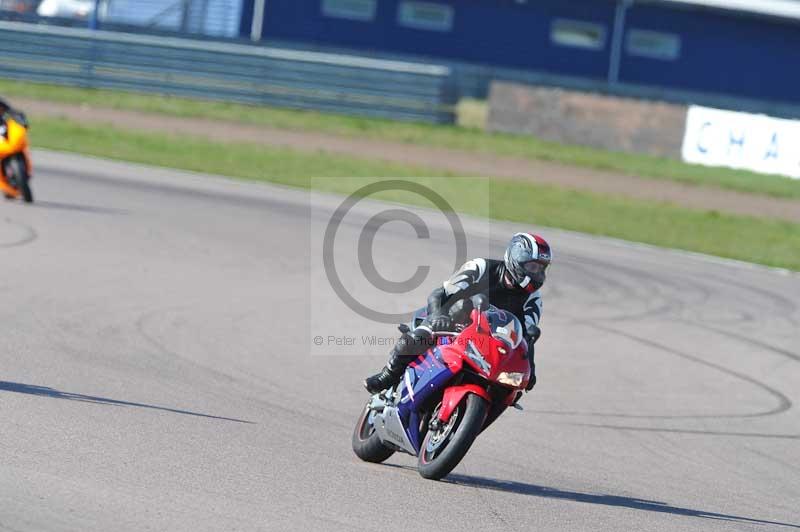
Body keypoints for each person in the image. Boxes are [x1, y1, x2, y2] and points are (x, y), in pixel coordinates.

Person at [364, 232, 552, 394]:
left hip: (487, 340)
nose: (537, 274)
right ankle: (387, 376)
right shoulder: (481, 267)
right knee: (420, 336)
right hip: (450, 322)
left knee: (509, 385)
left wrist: (530, 368)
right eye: (532, 267)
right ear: (516, 259)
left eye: (541, 269)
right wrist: (437, 316)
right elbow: (439, 294)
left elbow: (526, 338)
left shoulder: (532, 298)